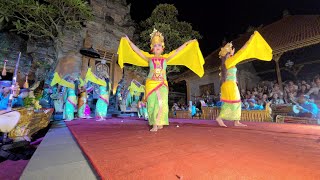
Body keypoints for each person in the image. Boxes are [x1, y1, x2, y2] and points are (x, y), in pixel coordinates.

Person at [118, 28, 204, 131]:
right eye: (155, 45)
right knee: (152, 103)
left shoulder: (166, 58)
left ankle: (160, 121)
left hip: (162, 83)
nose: (157, 47)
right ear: (152, 48)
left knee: (162, 103)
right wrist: (129, 42)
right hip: (151, 83)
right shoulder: (149, 58)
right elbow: (137, 51)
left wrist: (187, 43)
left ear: (162, 47)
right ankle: (154, 124)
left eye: (159, 45)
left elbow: (177, 51)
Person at [214, 31, 273, 127]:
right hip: (230, 85)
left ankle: (236, 121)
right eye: (230, 51)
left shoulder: (226, 63)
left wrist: (231, 53)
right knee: (232, 103)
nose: (233, 52)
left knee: (236, 102)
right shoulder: (230, 61)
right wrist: (250, 40)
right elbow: (242, 51)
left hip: (230, 85)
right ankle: (220, 118)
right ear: (228, 54)